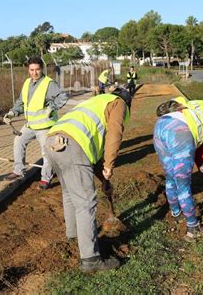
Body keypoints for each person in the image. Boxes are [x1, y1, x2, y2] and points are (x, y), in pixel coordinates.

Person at [45, 88, 132, 273]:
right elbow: (114, 133)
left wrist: (104, 179)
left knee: (69, 192)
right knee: (86, 203)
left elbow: (94, 154)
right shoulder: (118, 103)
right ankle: (90, 259)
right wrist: (110, 164)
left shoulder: (94, 103)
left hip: (53, 141)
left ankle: (74, 236)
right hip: (73, 144)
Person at [153, 95, 203, 241]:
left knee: (171, 176)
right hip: (180, 133)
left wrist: (202, 165)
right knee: (183, 185)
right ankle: (193, 227)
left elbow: (200, 147)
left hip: (160, 127)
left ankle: (176, 213)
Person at [3, 57, 68, 190]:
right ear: (28, 70)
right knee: (18, 141)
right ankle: (18, 170)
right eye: (32, 70)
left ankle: (45, 179)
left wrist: (53, 107)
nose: (34, 73)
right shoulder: (27, 83)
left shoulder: (49, 83)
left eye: (37, 69)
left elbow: (63, 96)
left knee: (47, 153)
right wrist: (12, 113)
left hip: (45, 126)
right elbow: (21, 102)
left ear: (41, 69)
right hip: (30, 125)